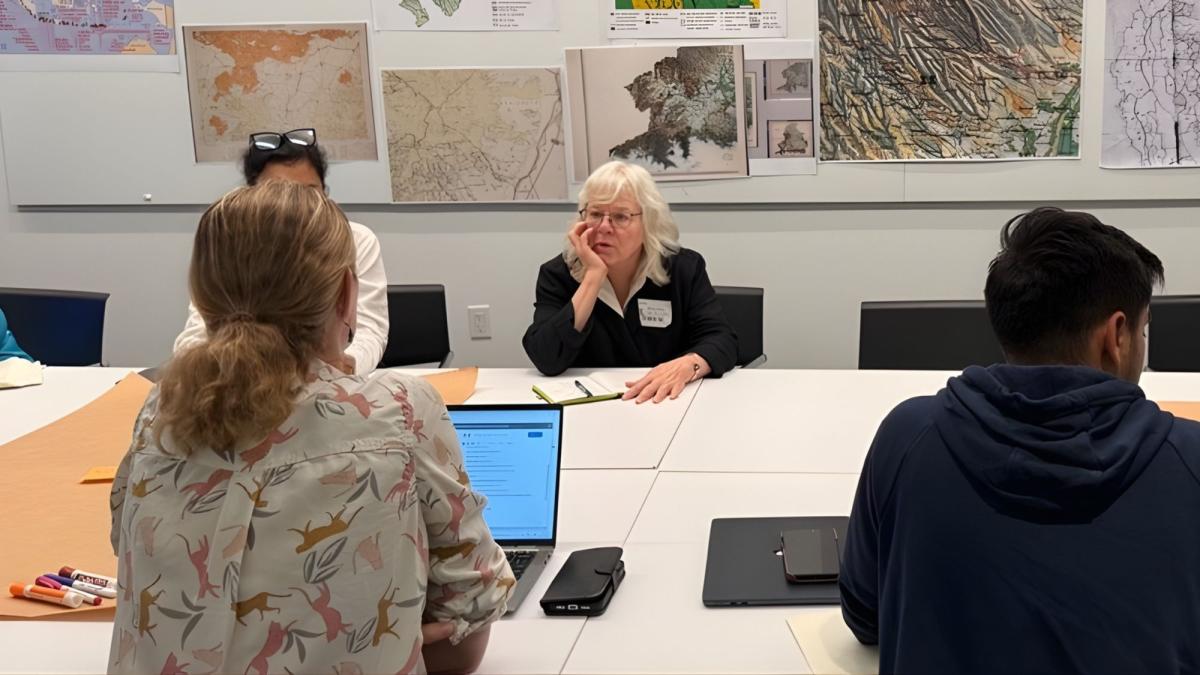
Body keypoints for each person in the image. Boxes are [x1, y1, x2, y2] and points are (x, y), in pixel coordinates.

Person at [109, 181, 512, 675]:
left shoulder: (159, 415)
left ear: (201, 297)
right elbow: (467, 626)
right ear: (347, 295)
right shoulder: (400, 411)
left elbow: (132, 560)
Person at [839, 207, 1200, 673]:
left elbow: (864, 616)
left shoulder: (909, 435)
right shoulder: (1189, 463)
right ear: (1116, 335)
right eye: (1144, 329)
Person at [173, 129, 388, 375]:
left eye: (308, 192)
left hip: (332, 379)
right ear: (252, 196)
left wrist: (341, 366)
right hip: (247, 382)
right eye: (279, 191)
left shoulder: (356, 240)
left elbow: (370, 329)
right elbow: (195, 335)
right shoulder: (229, 246)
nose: (295, 206)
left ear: (325, 192)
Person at [522, 161, 738, 403]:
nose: (604, 227)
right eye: (594, 214)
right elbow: (546, 357)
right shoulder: (558, 274)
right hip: (593, 410)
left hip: (668, 402)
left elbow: (722, 340)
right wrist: (593, 276)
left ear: (648, 223)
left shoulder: (682, 268)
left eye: (620, 217)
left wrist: (691, 364)